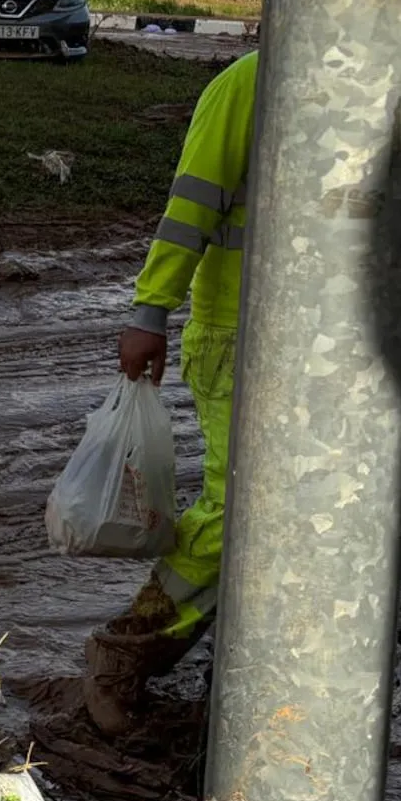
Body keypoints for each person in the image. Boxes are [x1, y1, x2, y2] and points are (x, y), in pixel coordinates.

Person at [82, 48, 259, 738]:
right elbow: (190, 204)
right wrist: (150, 309)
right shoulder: (247, 84)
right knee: (240, 504)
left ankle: (241, 666)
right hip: (236, 333)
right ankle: (126, 649)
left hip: (316, 345)